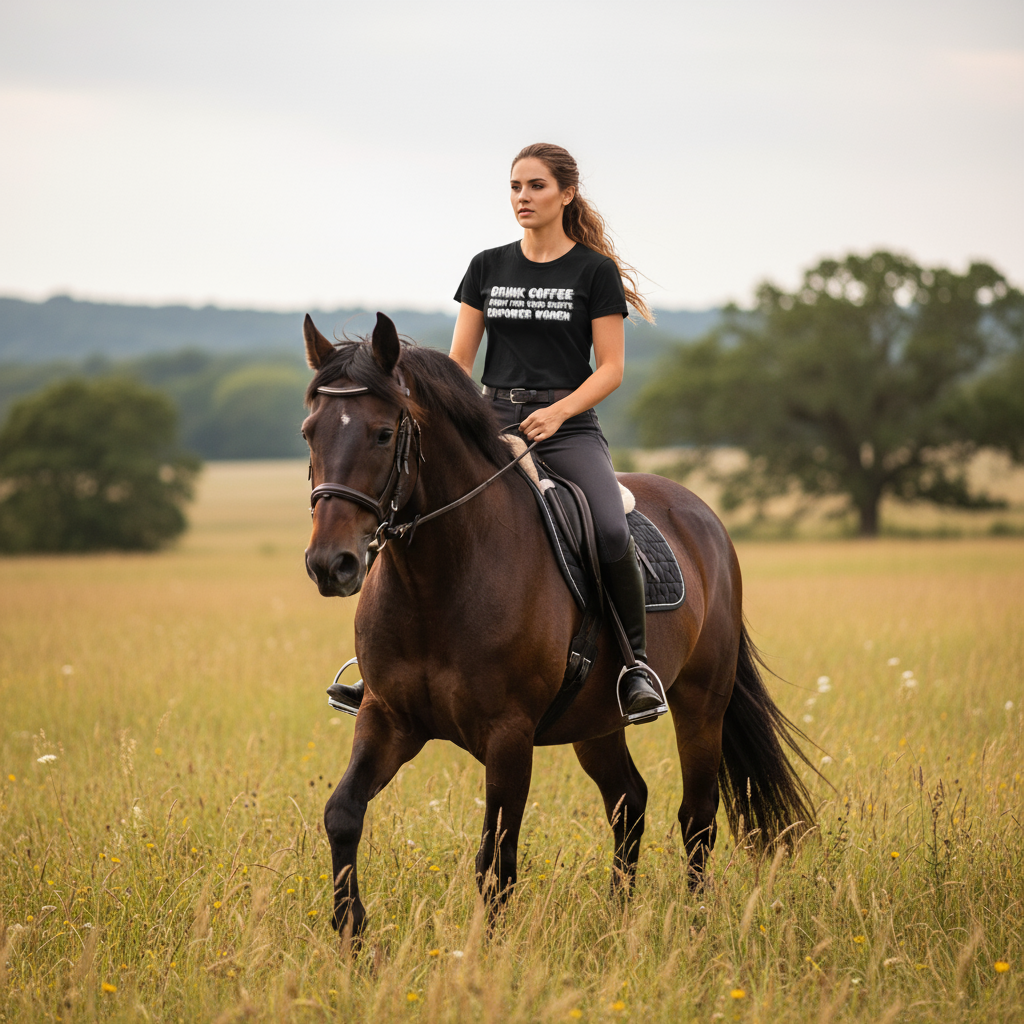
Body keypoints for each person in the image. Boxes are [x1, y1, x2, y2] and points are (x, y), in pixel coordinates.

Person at [327, 142, 664, 723]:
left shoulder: (593, 271)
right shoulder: (487, 266)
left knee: (609, 527)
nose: (523, 198)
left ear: (566, 194)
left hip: (567, 428)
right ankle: (379, 667)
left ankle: (635, 665)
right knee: (405, 506)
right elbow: (461, 360)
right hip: (490, 421)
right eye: (515, 187)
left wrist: (558, 413)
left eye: (535, 186)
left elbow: (611, 368)